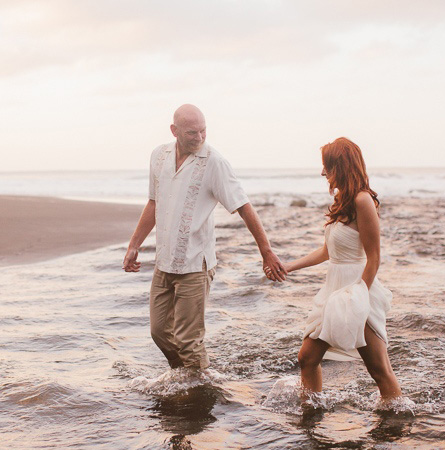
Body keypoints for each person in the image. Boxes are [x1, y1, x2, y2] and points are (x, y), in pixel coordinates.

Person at [123, 104, 286, 370]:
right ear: (174, 131)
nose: (199, 138)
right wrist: (134, 245)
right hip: (164, 262)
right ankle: (185, 376)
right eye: (191, 133)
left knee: (189, 341)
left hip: (195, 264)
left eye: (203, 131)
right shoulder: (159, 156)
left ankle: (200, 393)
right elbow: (154, 203)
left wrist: (266, 251)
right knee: (159, 332)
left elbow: (244, 206)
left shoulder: (215, 163)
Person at [282, 137, 402, 401]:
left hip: (358, 290)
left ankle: (396, 419)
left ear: (342, 165)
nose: (323, 172)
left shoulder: (363, 201)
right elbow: (327, 252)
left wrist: (359, 296)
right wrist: (289, 266)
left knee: (379, 369)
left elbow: (374, 258)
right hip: (333, 290)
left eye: (328, 166)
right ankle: (311, 410)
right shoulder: (342, 201)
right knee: (307, 357)